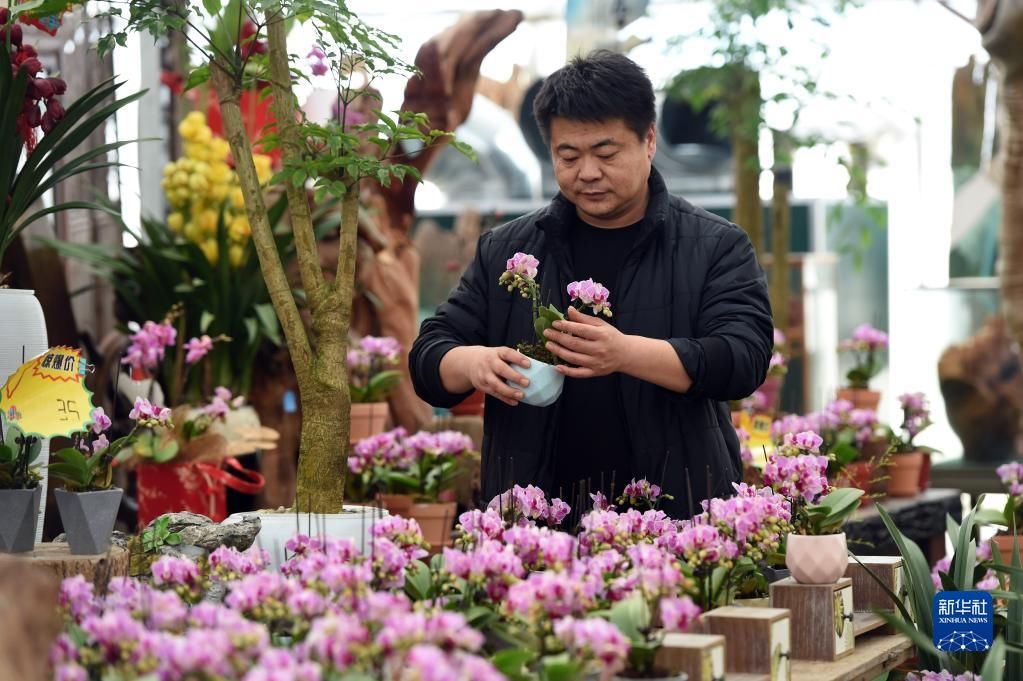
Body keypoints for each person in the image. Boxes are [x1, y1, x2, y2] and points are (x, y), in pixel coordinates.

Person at [409, 50, 773, 518]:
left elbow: (743, 359)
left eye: (606, 153)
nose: (587, 173)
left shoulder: (714, 245)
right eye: (568, 155)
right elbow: (428, 356)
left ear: (649, 141)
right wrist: (474, 363)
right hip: (537, 530)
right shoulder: (509, 249)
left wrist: (624, 354)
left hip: (678, 518)